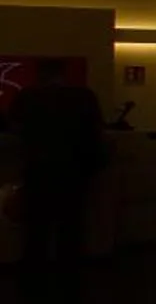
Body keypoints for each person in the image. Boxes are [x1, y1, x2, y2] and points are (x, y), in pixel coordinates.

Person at [8, 58, 104, 271]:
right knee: (71, 221)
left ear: (40, 74)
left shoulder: (28, 96)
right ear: (64, 73)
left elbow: (14, 126)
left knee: (37, 223)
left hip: (39, 167)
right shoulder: (84, 96)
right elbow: (96, 130)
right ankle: (69, 267)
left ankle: (35, 267)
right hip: (75, 168)